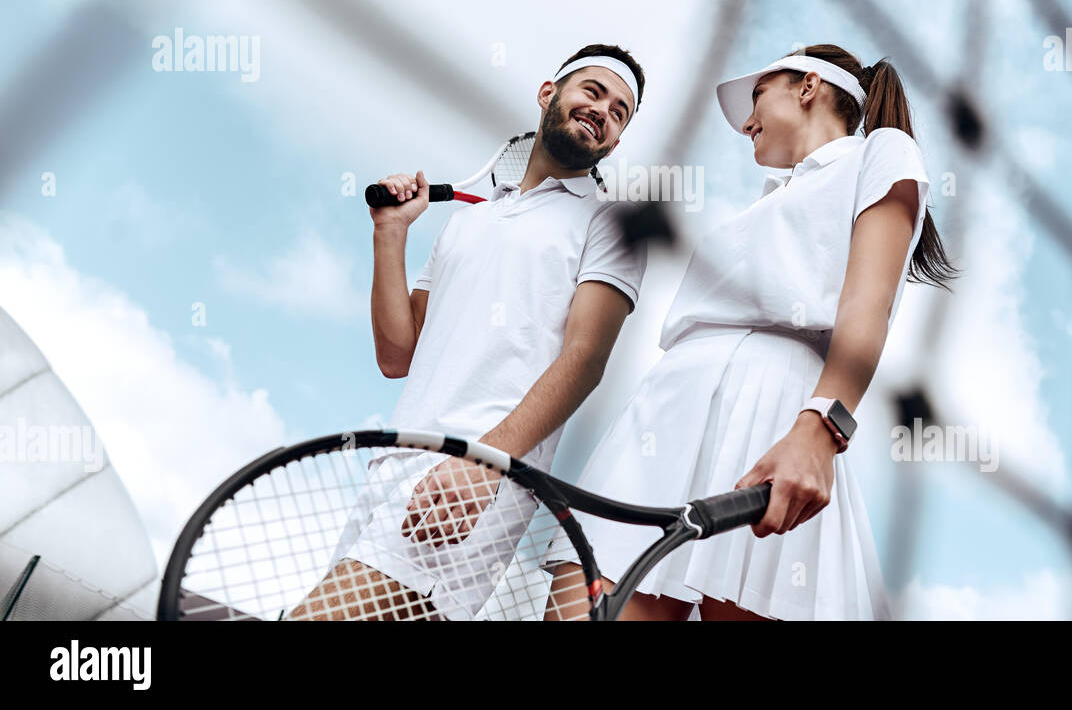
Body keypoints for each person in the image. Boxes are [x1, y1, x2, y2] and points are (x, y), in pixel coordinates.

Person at [545, 43, 957, 621]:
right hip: (665, 413)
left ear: (807, 86)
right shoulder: (767, 204)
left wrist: (820, 428)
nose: (746, 122)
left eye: (758, 96)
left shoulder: (880, 153)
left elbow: (869, 304)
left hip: (777, 414)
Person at [289, 44, 649, 620]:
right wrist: (390, 234)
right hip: (395, 467)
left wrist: (484, 461)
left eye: (620, 111)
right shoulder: (468, 219)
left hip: (477, 478)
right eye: (593, 91)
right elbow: (396, 353)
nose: (604, 110)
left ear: (616, 139)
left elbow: (585, 359)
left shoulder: (611, 222)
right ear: (547, 93)